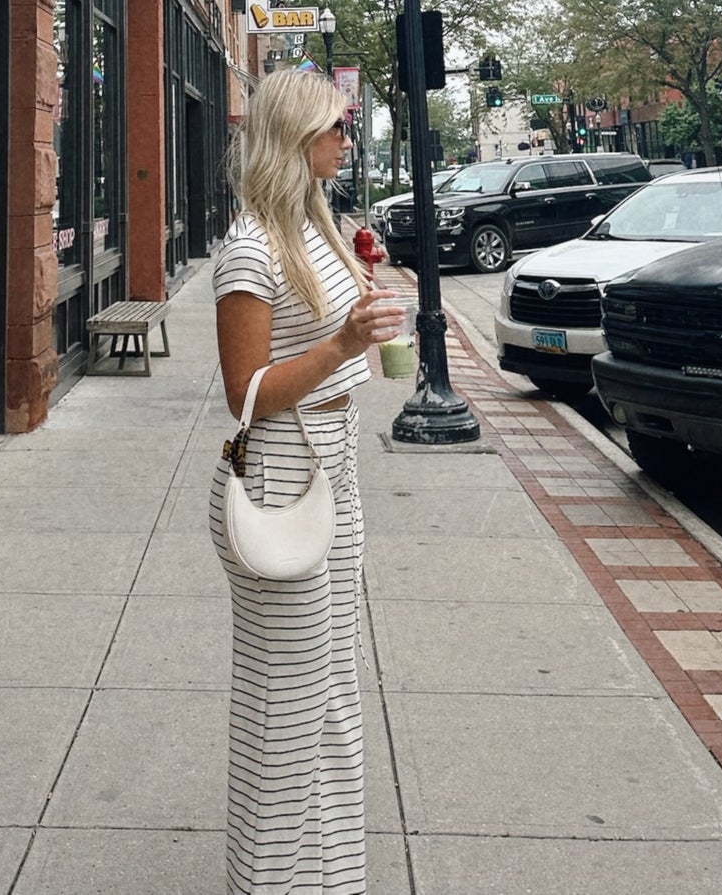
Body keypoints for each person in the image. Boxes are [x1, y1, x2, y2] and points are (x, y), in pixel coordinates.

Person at [209, 69, 404, 893]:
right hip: (283, 472)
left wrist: (364, 287)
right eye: (335, 127)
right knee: (283, 703)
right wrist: (342, 344)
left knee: (328, 690)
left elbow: (338, 338)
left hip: (334, 461)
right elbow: (244, 395)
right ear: (297, 138)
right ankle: (268, 879)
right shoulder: (249, 247)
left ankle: (325, 876)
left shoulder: (315, 228)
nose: (346, 140)